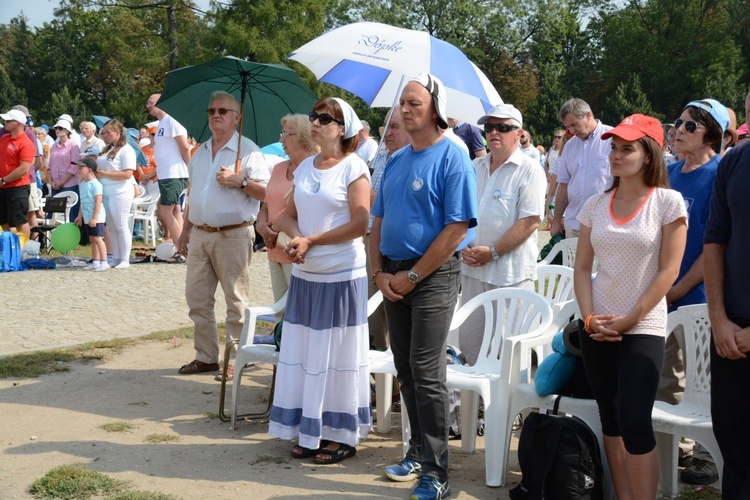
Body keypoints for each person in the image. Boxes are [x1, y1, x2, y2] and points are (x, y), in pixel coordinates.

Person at [370, 73, 477, 500]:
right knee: (406, 368)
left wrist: (412, 276)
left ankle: (437, 470)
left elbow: (456, 229)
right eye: (402, 103)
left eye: (414, 102)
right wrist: (379, 273)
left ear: (436, 109)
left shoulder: (454, 157)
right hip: (393, 273)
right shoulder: (395, 159)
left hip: (431, 276)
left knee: (427, 370)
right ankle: (416, 452)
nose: (404, 109)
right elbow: (377, 221)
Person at [574, 113, 687, 499]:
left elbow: (669, 271)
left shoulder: (668, 203)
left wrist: (629, 320)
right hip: (598, 327)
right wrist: (589, 318)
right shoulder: (595, 204)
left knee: (636, 422)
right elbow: (583, 267)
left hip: (643, 327)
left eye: (628, 148)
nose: (616, 156)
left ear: (649, 154)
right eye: (614, 148)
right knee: (610, 417)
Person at [268, 97, 371, 465]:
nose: (315, 122)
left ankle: (340, 435)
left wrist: (312, 241)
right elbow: (286, 216)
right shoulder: (307, 166)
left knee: (337, 355)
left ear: (341, 128)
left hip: (341, 273)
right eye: (313, 115)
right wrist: (297, 238)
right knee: (308, 352)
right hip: (307, 272)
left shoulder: (354, 167)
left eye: (325, 118)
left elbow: (361, 225)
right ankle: (309, 429)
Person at [656, 99, 729, 485]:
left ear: (711, 136)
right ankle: (672, 449)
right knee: (666, 376)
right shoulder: (668, 173)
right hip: (664, 293)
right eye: (678, 123)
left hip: (701, 297)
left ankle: (706, 455)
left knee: (705, 380)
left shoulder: (721, 174)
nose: (678, 130)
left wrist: (680, 287)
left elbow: (715, 244)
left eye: (689, 127)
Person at [175, 91, 269, 376]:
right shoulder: (200, 152)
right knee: (197, 299)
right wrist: (184, 232)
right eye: (212, 110)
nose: (216, 115)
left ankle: (236, 358)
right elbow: (192, 195)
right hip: (201, 234)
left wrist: (240, 181)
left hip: (233, 234)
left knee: (236, 301)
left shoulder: (249, 151)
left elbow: (267, 193)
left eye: (223, 111)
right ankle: (206, 356)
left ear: (237, 117)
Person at [459, 103, 546, 365]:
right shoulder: (475, 166)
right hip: (473, 270)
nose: (494, 132)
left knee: (506, 351)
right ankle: (479, 403)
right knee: (470, 343)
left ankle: (505, 406)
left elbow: (530, 221)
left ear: (519, 133)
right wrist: (461, 245)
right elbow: (461, 212)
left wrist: (493, 252)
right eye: (489, 127)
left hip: (509, 275)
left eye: (503, 127)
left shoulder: (530, 170)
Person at [704, 121, 750, 500]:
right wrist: (718, 319)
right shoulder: (734, 162)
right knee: (734, 440)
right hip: (730, 331)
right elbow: (715, 239)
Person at [255, 114, 316, 311]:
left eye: (286, 134)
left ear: (304, 137)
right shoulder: (279, 168)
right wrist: (262, 226)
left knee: (301, 311)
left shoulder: (315, 169)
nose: (281, 140)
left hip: (295, 252)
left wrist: (279, 225)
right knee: (280, 312)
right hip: (274, 249)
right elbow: (266, 204)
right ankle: (281, 343)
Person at [367, 107, 411, 352]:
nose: (387, 133)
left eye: (394, 127)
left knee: (395, 315)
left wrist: (378, 198)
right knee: (373, 313)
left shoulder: (412, 160)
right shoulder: (378, 159)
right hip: (371, 242)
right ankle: (381, 382)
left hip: (396, 246)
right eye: (386, 127)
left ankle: (394, 386)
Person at [550, 98, 613, 238]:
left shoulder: (613, 139)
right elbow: (563, 185)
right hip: (574, 224)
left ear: (588, 115)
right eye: (568, 127)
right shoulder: (569, 146)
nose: (571, 130)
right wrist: (556, 221)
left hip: (606, 226)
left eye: (574, 124)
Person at [146, 93, 190, 252]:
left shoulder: (172, 120)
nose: (148, 105)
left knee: (165, 211)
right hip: (167, 174)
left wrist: (191, 168)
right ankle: (183, 247)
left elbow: (184, 146)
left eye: (151, 102)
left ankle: (182, 248)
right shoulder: (161, 124)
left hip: (174, 173)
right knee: (175, 210)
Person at [96, 119, 136, 270]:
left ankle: (125, 258)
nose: (105, 135)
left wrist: (105, 173)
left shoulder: (126, 150)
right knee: (112, 227)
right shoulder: (106, 149)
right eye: (103, 133)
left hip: (120, 191)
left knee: (121, 225)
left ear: (118, 133)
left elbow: (127, 174)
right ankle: (116, 256)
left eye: (108, 132)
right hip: (106, 190)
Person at [0, 108, 35, 238]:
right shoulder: (4, 138)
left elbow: (24, 168)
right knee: (3, 220)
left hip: (18, 187)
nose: (5, 122)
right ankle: (11, 246)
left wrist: (4, 180)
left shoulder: (25, 142)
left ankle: (24, 249)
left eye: (8, 120)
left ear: (19, 123)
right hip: (3, 186)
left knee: (19, 221)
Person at [74, 157, 107, 271]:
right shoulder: (82, 184)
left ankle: (104, 261)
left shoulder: (96, 184)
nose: (78, 169)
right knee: (92, 239)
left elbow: (98, 201)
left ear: (89, 169)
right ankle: (95, 261)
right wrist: (79, 216)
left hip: (96, 217)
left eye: (81, 167)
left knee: (98, 238)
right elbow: (83, 202)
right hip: (87, 217)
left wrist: (94, 218)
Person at [48, 119, 81, 222]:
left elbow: (74, 166)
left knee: (70, 213)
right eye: (56, 128)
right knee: (55, 213)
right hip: (55, 184)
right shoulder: (54, 146)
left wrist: (62, 182)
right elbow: (50, 165)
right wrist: (50, 181)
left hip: (69, 184)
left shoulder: (73, 146)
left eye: (60, 128)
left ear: (67, 131)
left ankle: (72, 236)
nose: (57, 130)